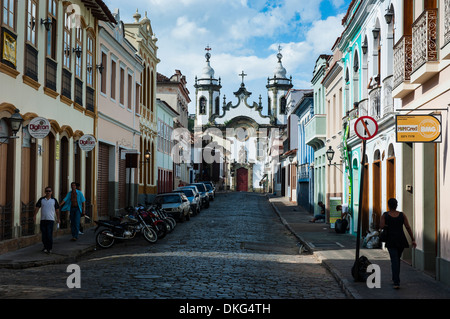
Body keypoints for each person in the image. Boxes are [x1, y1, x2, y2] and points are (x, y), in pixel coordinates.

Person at [380, 198, 416, 289]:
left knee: (394, 260)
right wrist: (413, 239)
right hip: (401, 240)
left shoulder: (385, 215)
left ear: (388, 205)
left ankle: (396, 282)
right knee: (397, 259)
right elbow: (407, 227)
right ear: (396, 205)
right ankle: (395, 278)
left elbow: (381, 226)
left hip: (391, 240)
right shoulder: (402, 215)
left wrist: (387, 225)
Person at [33, 187, 60, 254]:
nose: (48, 192)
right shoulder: (42, 200)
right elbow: (37, 207)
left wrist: (58, 218)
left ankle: (49, 248)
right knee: (44, 235)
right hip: (43, 220)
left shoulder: (54, 200)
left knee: (49, 234)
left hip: (50, 220)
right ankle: (45, 247)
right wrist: (34, 215)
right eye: (47, 191)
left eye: (49, 191)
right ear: (45, 192)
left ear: (51, 192)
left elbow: (57, 210)